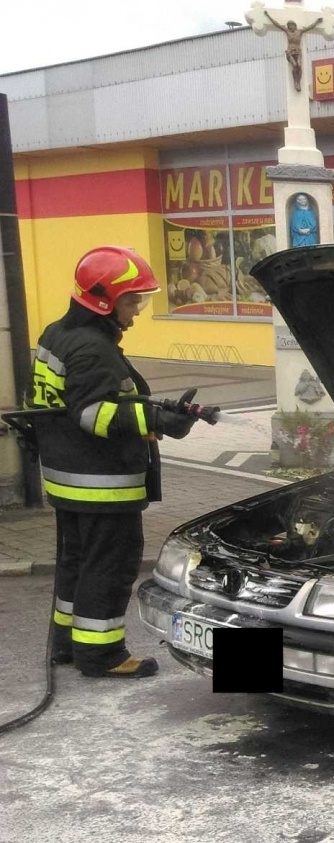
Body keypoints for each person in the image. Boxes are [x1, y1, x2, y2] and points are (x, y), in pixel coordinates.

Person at [28, 247, 198, 678]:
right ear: (104, 300)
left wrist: (152, 408)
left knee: (77, 563)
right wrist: (155, 418)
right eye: (132, 300)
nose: (138, 310)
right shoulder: (93, 348)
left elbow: (65, 404)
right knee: (110, 565)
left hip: (68, 480)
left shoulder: (57, 334)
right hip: (100, 483)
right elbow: (91, 413)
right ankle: (102, 655)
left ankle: (66, 644)